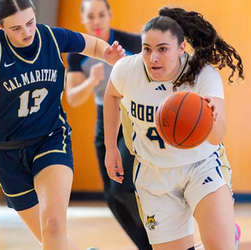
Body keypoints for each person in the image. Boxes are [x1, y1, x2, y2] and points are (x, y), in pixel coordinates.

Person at [104, 7, 243, 250]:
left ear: (181, 48)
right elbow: (111, 95)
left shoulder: (201, 75)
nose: (153, 58)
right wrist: (110, 148)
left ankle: (225, 233)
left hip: (201, 165)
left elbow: (218, 135)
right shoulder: (128, 70)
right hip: (153, 174)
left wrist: (212, 118)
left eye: (162, 49)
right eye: (147, 49)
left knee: (221, 247)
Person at [0, 0, 124, 249]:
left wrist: (108, 54)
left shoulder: (52, 38)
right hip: (7, 153)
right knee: (53, 240)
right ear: (0, 28)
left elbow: (94, 45)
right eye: (16, 29)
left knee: (54, 225)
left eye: (30, 23)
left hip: (50, 138)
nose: (27, 33)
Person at [65, 1, 151, 249]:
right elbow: (72, 97)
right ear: (83, 19)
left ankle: (160, 241)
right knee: (112, 197)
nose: (97, 21)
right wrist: (91, 81)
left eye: (101, 15)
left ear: (109, 16)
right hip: (104, 117)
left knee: (123, 188)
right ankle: (147, 245)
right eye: (91, 16)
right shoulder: (77, 52)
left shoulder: (132, 43)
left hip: (133, 117)